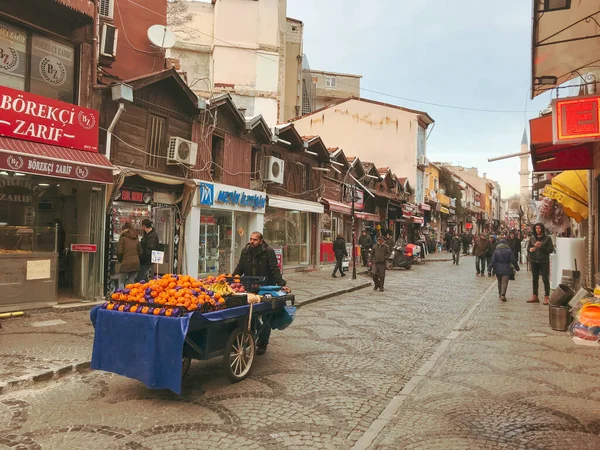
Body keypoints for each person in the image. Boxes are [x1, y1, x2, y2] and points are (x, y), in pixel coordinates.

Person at [233, 231, 286, 355]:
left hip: (265, 288)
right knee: (251, 314)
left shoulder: (268, 252)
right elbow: (240, 268)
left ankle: (263, 343)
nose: (252, 241)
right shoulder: (245, 251)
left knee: (267, 316)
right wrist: (232, 279)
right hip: (249, 288)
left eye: (255, 240)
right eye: (251, 239)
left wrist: (282, 284)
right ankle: (254, 336)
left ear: (261, 241)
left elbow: (274, 269)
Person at [527, 222, 554, 305]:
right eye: (536, 228)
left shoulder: (547, 239)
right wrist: (531, 249)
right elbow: (528, 248)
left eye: (539, 228)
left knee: (545, 279)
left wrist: (541, 246)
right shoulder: (532, 238)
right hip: (534, 261)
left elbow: (550, 250)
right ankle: (535, 296)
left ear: (542, 229)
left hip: (543, 261)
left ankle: (546, 297)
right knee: (534, 279)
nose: (537, 230)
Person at [116, 222, 142, 289]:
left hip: (126, 262)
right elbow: (140, 252)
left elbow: (119, 252)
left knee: (121, 281)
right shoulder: (136, 237)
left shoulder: (123, 238)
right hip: (135, 263)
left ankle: (120, 296)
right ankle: (130, 296)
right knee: (131, 280)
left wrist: (121, 260)